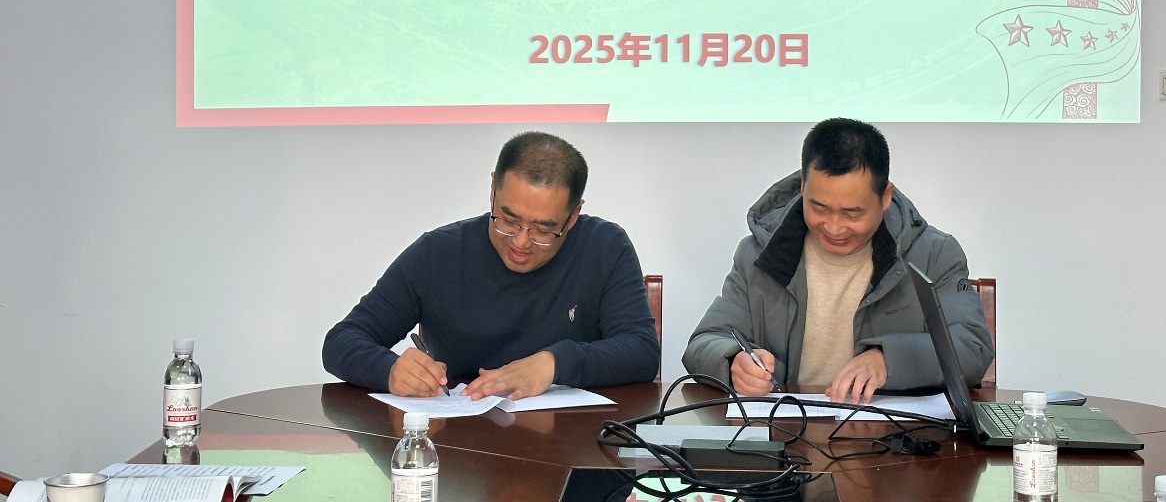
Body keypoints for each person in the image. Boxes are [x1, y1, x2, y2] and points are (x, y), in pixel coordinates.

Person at [323, 131, 660, 399]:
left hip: (573, 444)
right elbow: (342, 340)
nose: (520, 242)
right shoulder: (439, 253)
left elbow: (642, 352)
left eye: (543, 230)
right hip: (461, 443)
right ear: (492, 191)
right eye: (508, 220)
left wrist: (554, 364)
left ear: (573, 216)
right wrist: (389, 370)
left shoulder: (604, 247)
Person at [682, 118, 992, 403]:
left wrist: (888, 360)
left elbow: (971, 347)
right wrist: (734, 361)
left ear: (885, 197)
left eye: (851, 214)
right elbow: (704, 343)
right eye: (819, 208)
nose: (833, 227)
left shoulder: (933, 255)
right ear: (803, 187)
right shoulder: (759, 254)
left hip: (891, 435)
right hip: (786, 431)